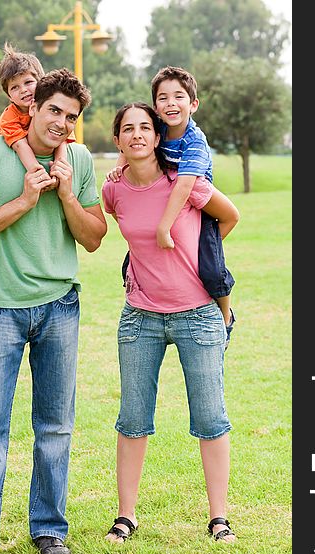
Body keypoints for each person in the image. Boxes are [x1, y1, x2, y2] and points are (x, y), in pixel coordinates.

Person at [0, 68, 107, 554]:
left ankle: (49, 529)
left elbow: (93, 237)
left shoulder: (78, 160)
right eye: (55, 111)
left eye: (72, 116)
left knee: (56, 428)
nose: (62, 123)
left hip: (60, 308)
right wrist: (22, 200)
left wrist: (64, 194)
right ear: (33, 107)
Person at [102, 102, 239, 545]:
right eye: (128, 129)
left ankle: (219, 518)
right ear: (118, 140)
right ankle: (126, 516)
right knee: (132, 418)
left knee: (210, 417)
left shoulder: (184, 183)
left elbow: (230, 215)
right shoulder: (114, 192)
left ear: (158, 137)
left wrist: (200, 253)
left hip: (198, 315)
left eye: (146, 127)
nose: (138, 134)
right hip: (140, 317)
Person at [108, 66, 236, 348]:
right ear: (156, 106)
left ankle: (225, 318)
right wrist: (120, 168)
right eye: (163, 98)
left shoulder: (195, 142)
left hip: (199, 208)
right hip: (166, 195)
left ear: (193, 104)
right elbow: (130, 143)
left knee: (212, 270)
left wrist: (168, 229)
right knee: (131, 265)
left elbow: (184, 186)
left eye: (179, 97)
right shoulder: (158, 129)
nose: (171, 104)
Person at [0, 42, 74, 184]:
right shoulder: (8, 118)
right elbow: (20, 145)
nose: (23, 90)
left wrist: (59, 167)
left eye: (28, 82)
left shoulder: (53, 109)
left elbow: (62, 140)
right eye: (14, 87)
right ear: (9, 96)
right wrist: (37, 173)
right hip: (16, 161)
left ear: (41, 81)